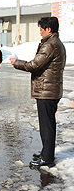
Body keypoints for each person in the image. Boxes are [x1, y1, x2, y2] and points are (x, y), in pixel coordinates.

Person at [10, 16, 66, 167]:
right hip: (49, 90)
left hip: (47, 91)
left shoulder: (50, 44)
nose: (40, 32)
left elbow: (34, 65)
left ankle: (47, 158)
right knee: (47, 124)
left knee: (46, 125)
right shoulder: (55, 43)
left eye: (41, 29)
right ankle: (46, 152)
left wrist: (17, 63)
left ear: (48, 29)